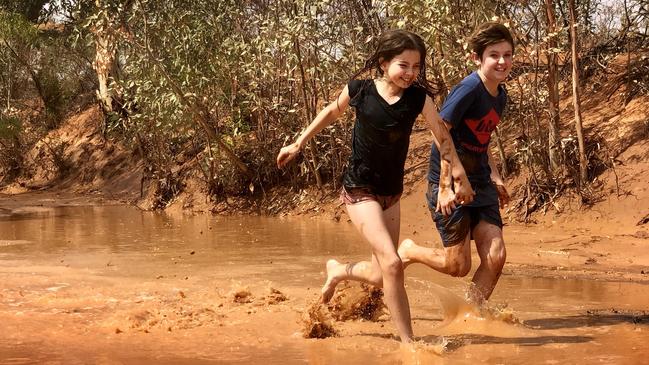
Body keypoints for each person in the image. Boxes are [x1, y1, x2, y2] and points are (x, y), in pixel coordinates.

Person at [276, 29, 473, 343]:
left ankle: (338, 271)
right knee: (394, 263)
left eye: (416, 66)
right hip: (359, 190)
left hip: (391, 193)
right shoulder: (361, 90)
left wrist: (453, 177)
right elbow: (331, 111)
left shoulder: (419, 99)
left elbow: (442, 136)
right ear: (384, 63)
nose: (410, 73)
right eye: (403, 65)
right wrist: (298, 143)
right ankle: (409, 344)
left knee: (381, 275)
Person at [398, 22, 514, 306]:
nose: (502, 62)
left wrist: (496, 177)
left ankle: (471, 314)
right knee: (457, 267)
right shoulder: (469, 88)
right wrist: (446, 185)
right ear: (477, 58)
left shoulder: (500, 94)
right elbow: (441, 132)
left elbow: (481, 139)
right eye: (494, 55)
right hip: (451, 180)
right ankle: (410, 250)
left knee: (496, 255)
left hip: (481, 183)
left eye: (507, 55)